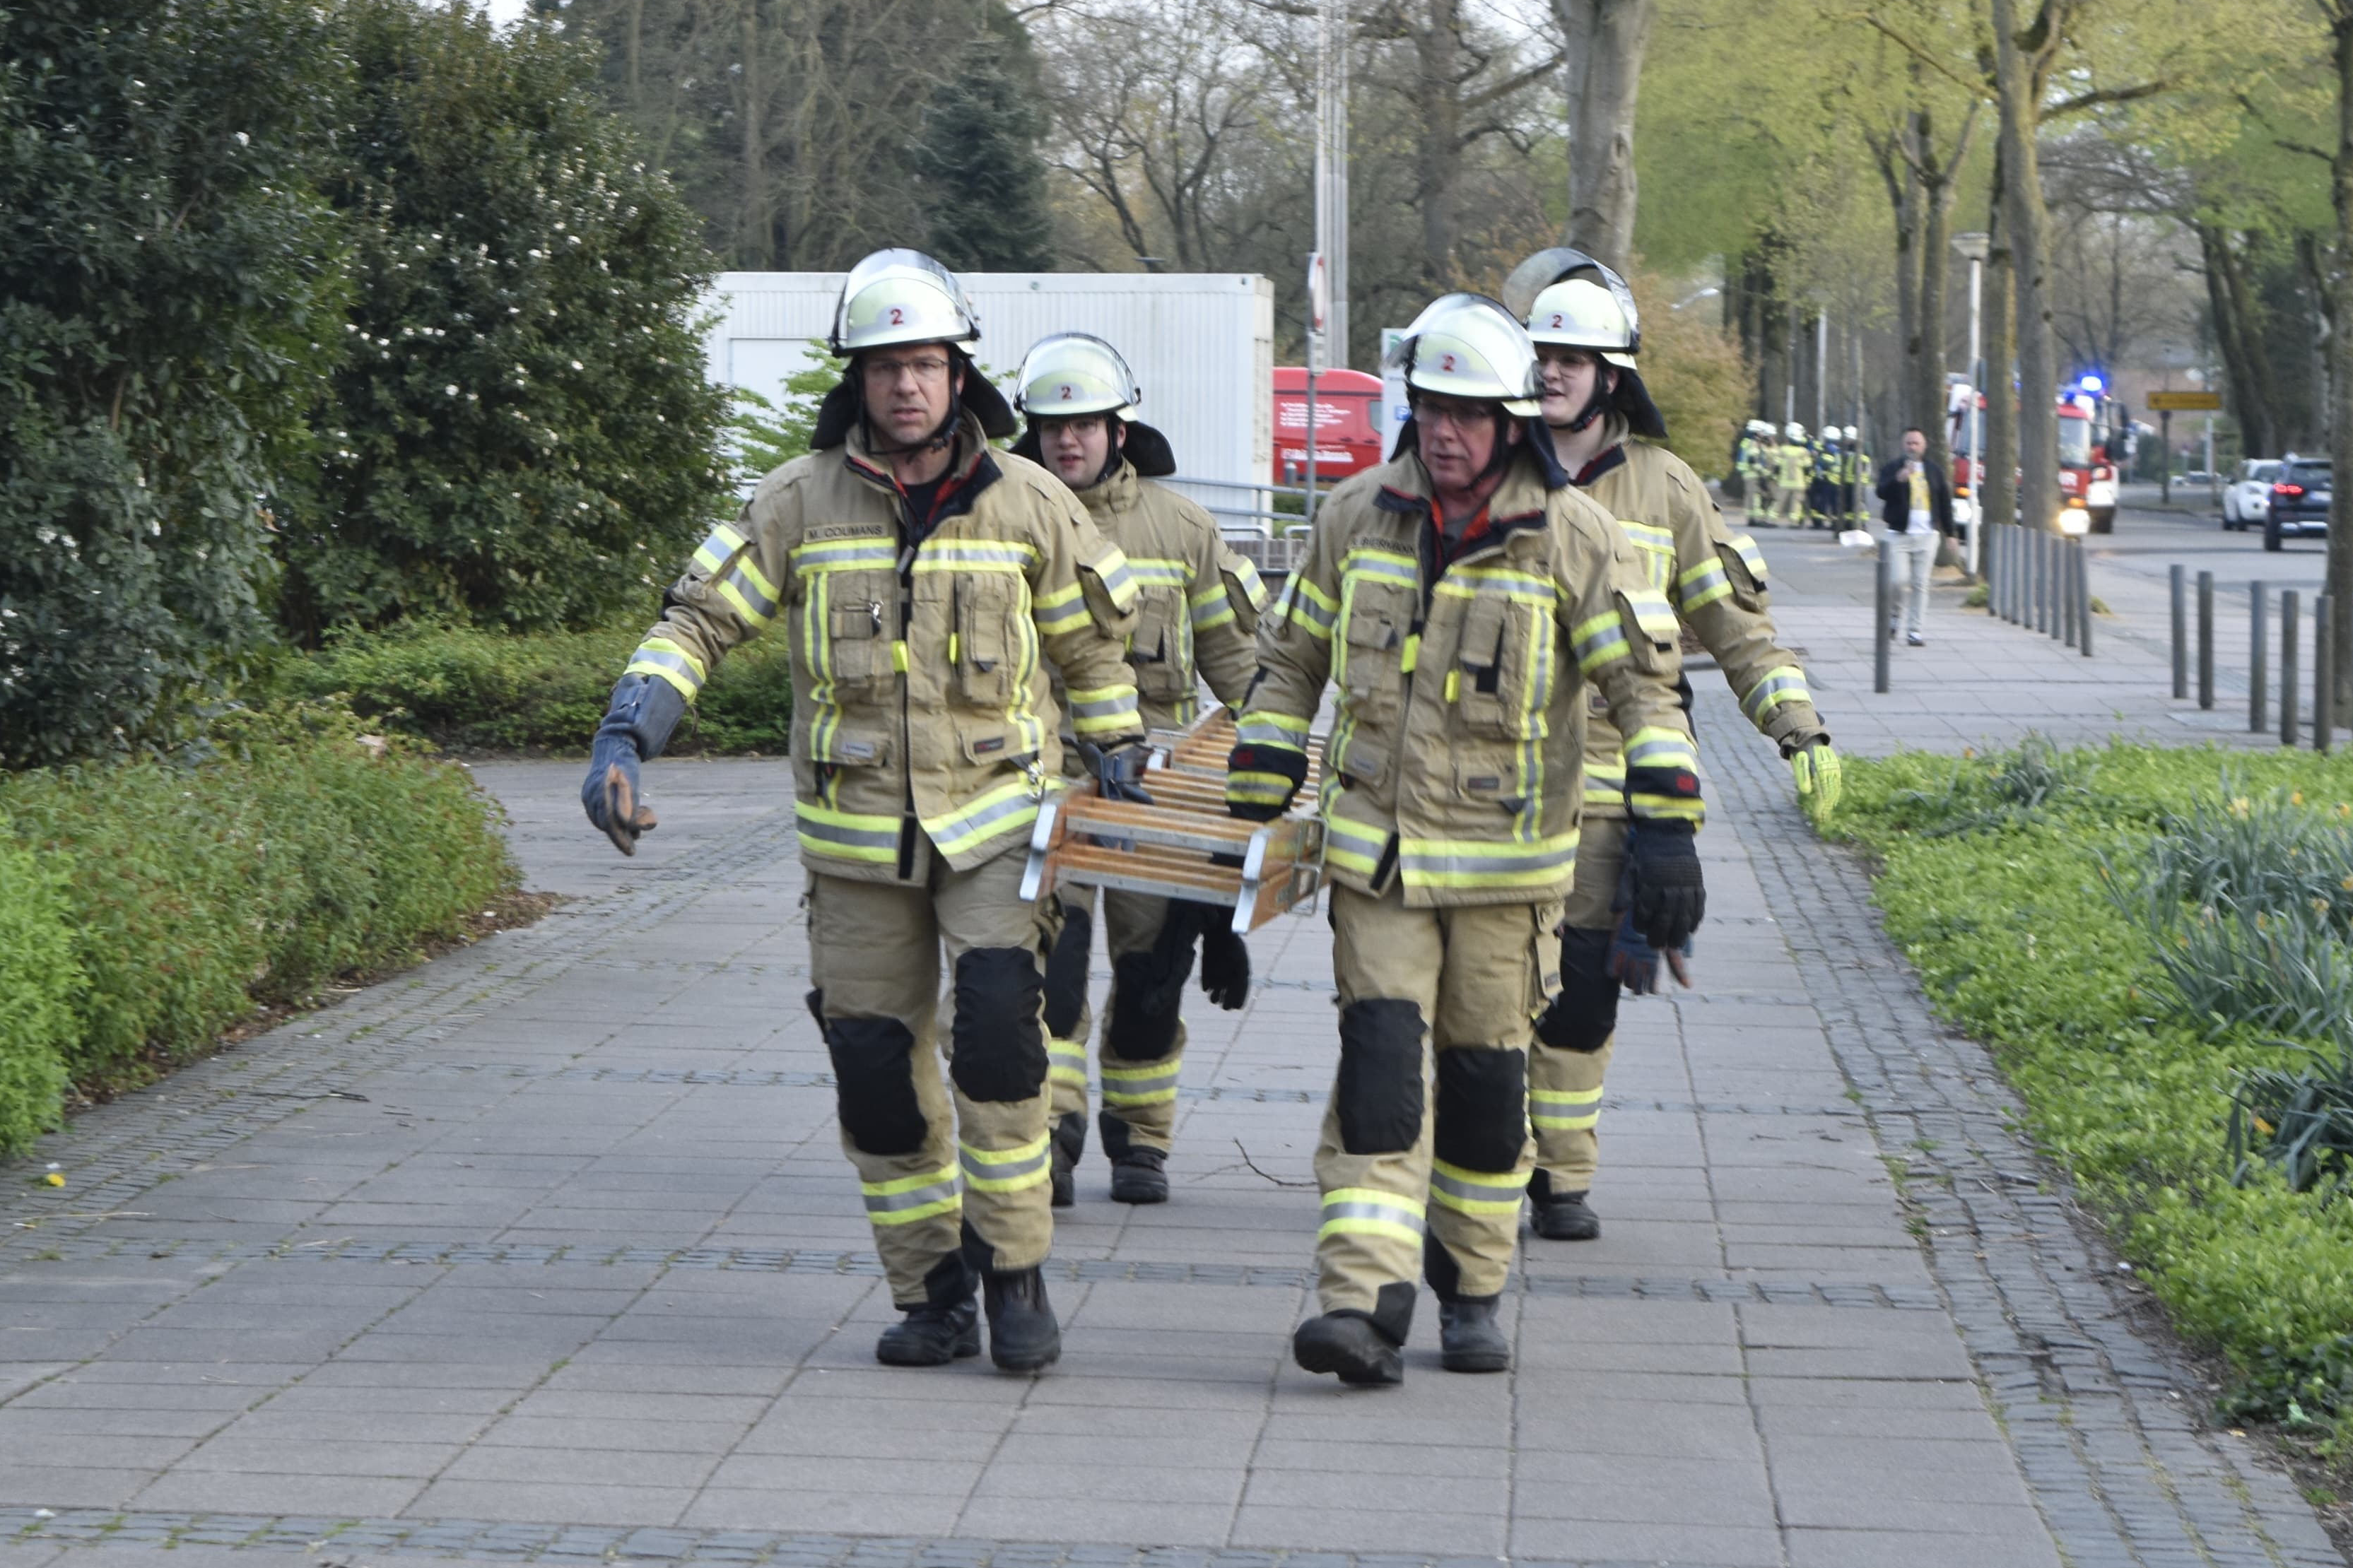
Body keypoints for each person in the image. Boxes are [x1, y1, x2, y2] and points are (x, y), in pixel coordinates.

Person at [584, 249, 1151, 1376]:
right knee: (876, 1070)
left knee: (1000, 1043)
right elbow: (698, 621)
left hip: (995, 825)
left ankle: (1015, 1270)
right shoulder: (795, 501)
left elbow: (1092, 651)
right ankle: (932, 1291)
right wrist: (626, 733)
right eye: (887, 366)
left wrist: (1121, 750)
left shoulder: (1030, 501)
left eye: (926, 363)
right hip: (856, 850)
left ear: (959, 374)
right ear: (858, 378)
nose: (907, 385)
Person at [1228, 295, 1703, 1386]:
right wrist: (1264, 755)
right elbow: (1292, 656)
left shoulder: (1575, 536)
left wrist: (1670, 826)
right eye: (1431, 409)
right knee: (1381, 1070)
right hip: (1380, 864)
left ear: (1511, 422)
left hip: (1509, 874)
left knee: (1487, 1086)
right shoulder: (1355, 516)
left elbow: (1645, 689)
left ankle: (1473, 1287)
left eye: (1469, 414)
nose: (1446, 432)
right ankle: (1362, 1301)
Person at [1510, 250, 1846, 1240]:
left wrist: (1798, 727)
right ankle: (1485, 1161)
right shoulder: (1494, 465)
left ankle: (1560, 1176)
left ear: (1611, 376)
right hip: (1493, 779)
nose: (1553, 372)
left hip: (1614, 782)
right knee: (1486, 983)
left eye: (1573, 359)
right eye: (1542, 355)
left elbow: (1738, 628)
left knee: (1580, 993)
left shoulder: (1667, 489)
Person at [1011, 331, 1264, 1207]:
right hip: (1044, 786)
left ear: (1118, 430)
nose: (1066, 440)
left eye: (1084, 424)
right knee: (1053, 969)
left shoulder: (1182, 529)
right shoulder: (1004, 515)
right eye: (1051, 426)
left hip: (1159, 792)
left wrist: (1247, 828)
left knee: (1154, 973)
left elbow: (1246, 678)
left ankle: (1140, 1138)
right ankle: (1052, 1133)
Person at [1876, 426, 1942, 647]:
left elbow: (1943, 499)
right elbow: (1881, 492)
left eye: (1917, 443)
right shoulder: (1893, 468)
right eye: (1909, 443)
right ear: (1903, 445)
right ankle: (1895, 615)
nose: (1913, 447)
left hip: (1926, 536)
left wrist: (1951, 533)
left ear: (1924, 446)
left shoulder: (1933, 470)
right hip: (1899, 535)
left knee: (1920, 583)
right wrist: (1899, 480)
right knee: (1898, 581)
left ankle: (1915, 630)